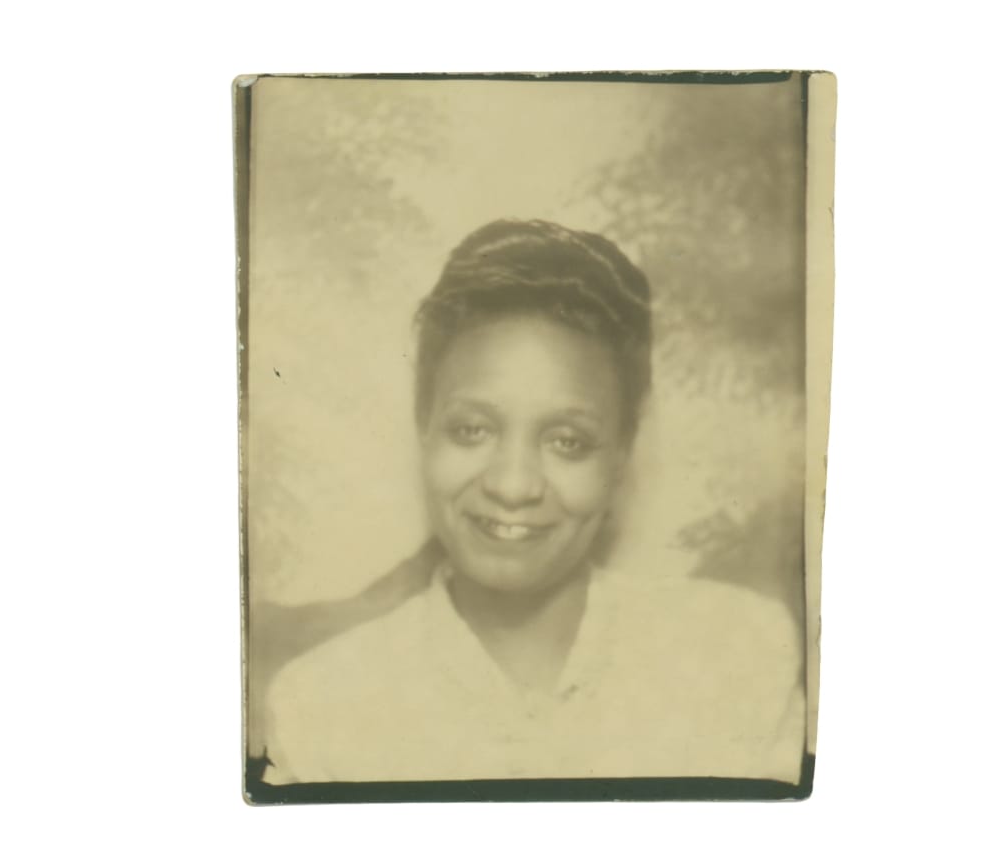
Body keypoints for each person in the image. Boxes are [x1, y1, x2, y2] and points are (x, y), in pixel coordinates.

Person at [261, 219, 807, 785]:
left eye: (567, 441)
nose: (513, 485)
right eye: (472, 430)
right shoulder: (319, 710)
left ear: (622, 452)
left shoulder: (738, 657)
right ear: (425, 428)